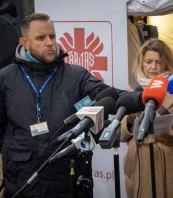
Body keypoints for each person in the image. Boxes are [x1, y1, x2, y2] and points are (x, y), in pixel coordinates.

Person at [0, 13, 143, 198]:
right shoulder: (5, 78)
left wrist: (142, 99)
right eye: (41, 38)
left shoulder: (76, 75)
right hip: (22, 183)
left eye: (52, 36)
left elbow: (110, 94)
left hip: (67, 181)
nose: (49, 42)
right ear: (24, 42)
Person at [117, 38, 173, 198]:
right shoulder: (129, 91)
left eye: (158, 62)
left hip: (171, 162)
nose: (153, 67)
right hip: (139, 163)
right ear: (141, 62)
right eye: (148, 61)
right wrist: (130, 120)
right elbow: (119, 131)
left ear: (165, 63)